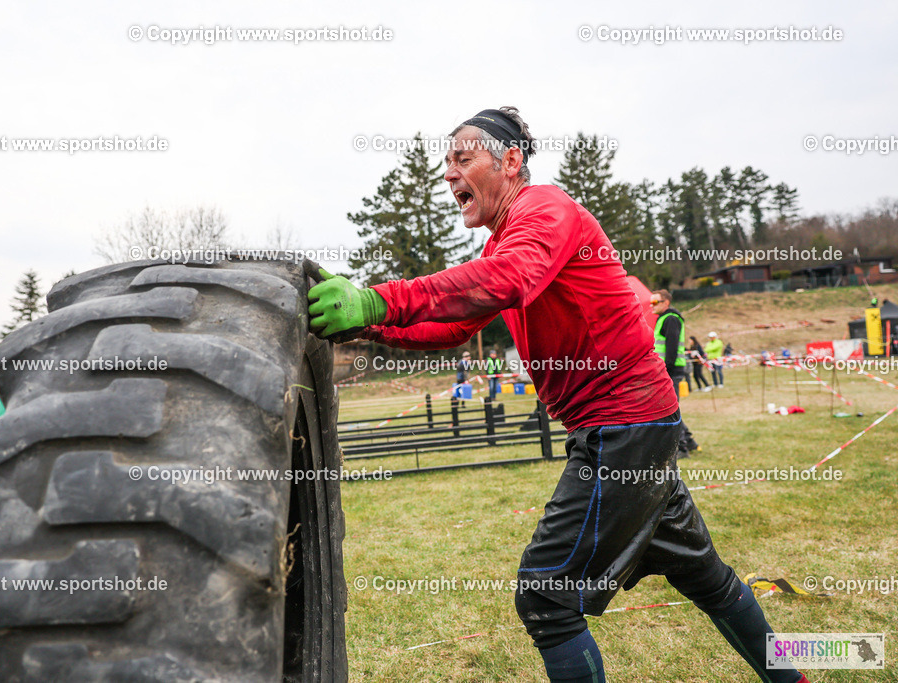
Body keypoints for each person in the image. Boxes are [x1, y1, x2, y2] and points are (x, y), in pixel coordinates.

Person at [306, 107, 806, 682]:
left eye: (462, 159)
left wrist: (378, 298)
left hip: (621, 427)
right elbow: (452, 327)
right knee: (710, 579)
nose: (448, 175)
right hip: (635, 425)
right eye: (445, 164)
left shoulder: (544, 209)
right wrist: (368, 326)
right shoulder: (507, 242)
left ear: (510, 160)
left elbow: (508, 279)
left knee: (547, 599)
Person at [650, 290, 699, 458]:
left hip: (670, 370)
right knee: (670, 409)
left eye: (655, 302)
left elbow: (671, 348)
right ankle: (690, 442)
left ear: (666, 303)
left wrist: (664, 369)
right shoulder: (664, 318)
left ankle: (682, 449)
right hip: (667, 369)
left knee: (669, 411)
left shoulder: (671, 318)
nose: (651, 305)